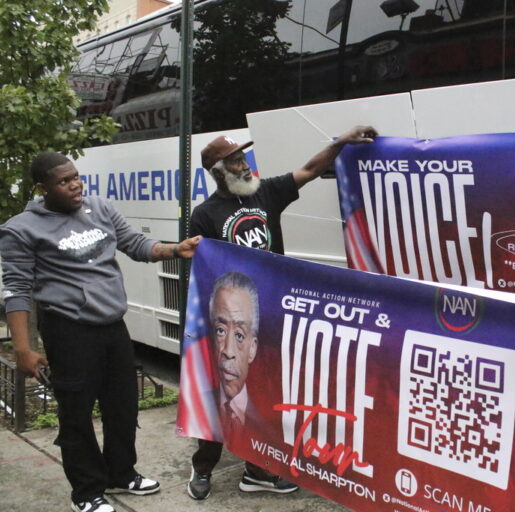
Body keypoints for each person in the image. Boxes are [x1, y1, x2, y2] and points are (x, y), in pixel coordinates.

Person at [0, 151, 201, 512]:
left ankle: (121, 474)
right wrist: (23, 348)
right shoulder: (21, 229)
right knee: (76, 414)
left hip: (112, 326)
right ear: (43, 188)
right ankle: (87, 491)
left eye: (76, 176)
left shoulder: (99, 208)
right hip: (69, 331)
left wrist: (175, 249)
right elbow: (16, 290)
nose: (75, 184)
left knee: (122, 406)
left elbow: (135, 244)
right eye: (64, 181)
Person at [186, 125, 377, 500]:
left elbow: (308, 169)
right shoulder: (205, 215)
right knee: (220, 395)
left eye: (244, 158)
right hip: (228, 323)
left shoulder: (267, 193)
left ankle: (256, 469)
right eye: (237, 161)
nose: (245, 165)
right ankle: (203, 465)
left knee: (262, 396)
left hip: (270, 318)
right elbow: (200, 274)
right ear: (219, 172)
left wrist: (340, 142)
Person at [208, 272, 261, 444]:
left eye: (239, 335)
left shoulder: (267, 417)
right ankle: (202, 467)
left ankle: (254, 471)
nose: (228, 351)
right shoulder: (200, 406)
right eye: (221, 330)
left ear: (252, 348)